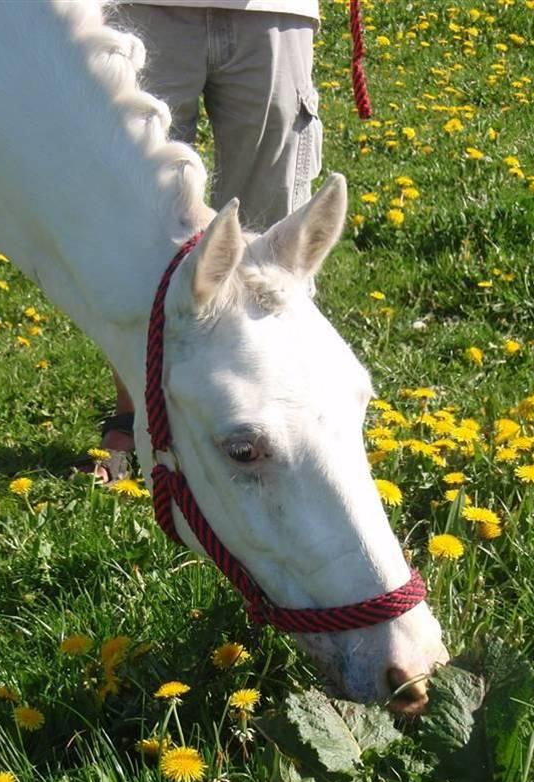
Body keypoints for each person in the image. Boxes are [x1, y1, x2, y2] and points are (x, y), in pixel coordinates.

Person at [84, 0, 322, 481]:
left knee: (274, 241)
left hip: (274, 10)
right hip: (147, 8)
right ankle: (135, 419)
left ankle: (276, 409)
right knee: (141, 216)